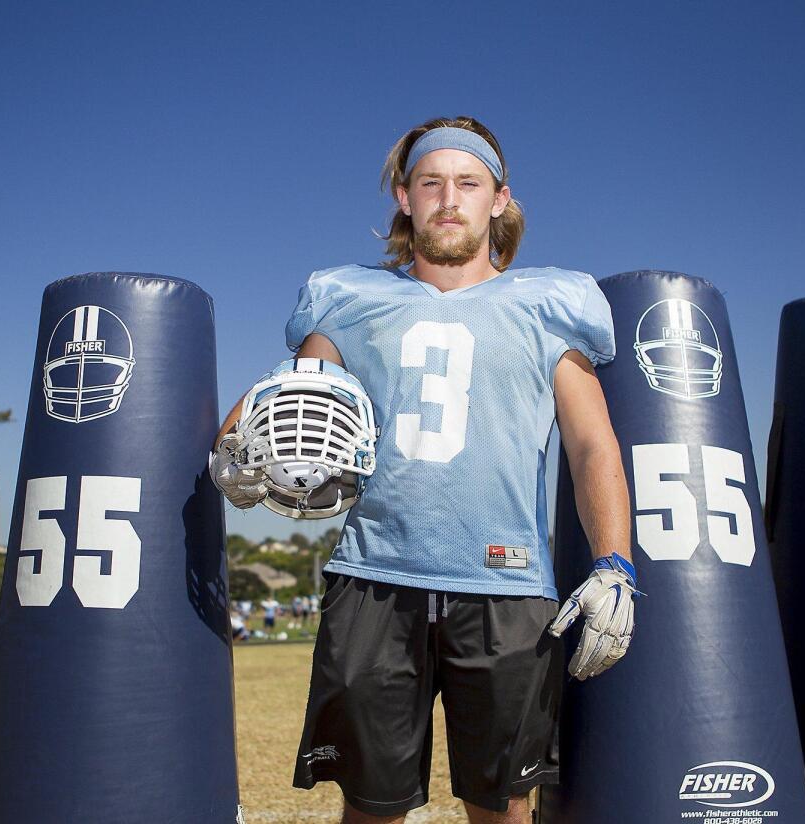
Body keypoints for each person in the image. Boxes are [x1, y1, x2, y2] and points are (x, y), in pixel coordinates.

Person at [211, 116, 635, 824]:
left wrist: (614, 561)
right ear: (404, 198)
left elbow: (594, 445)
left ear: (498, 199)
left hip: (505, 583)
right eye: (430, 182)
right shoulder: (350, 298)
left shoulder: (549, 303)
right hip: (377, 578)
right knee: (370, 809)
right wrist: (235, 450)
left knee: (500, 808)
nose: (448, 198)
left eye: (467, 183)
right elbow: (284, 399)